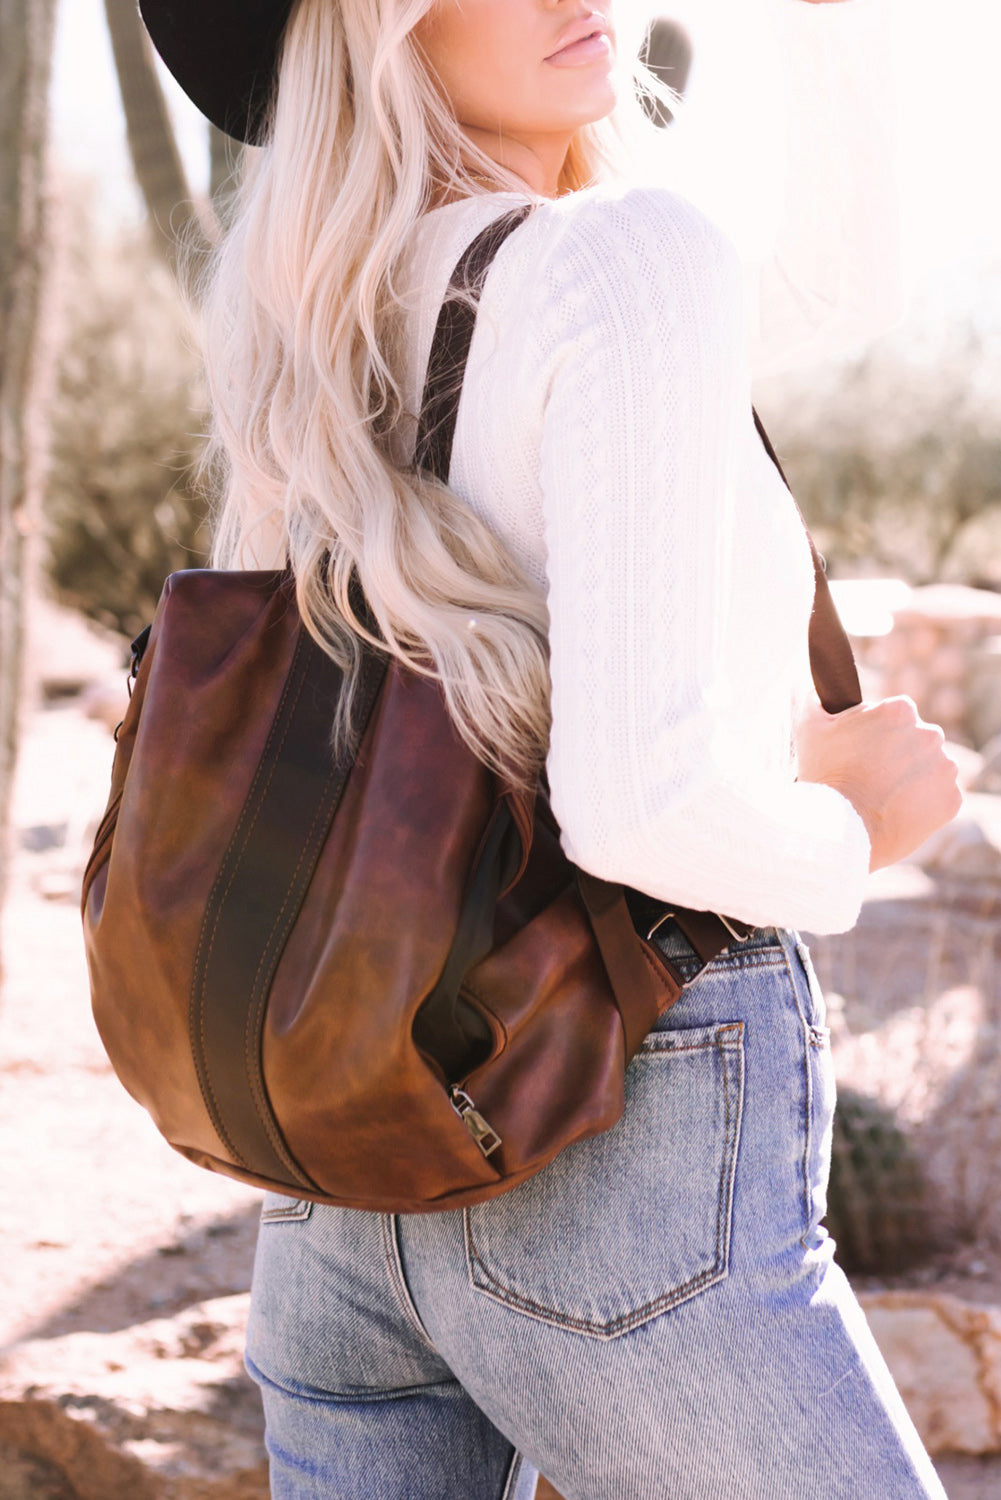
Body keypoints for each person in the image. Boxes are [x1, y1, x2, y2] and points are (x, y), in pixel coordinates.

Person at [138, 1, 962, 1495]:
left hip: (335, 1168)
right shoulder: (615, 266)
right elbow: (642, 808)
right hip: (612, 1144)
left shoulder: (320, 312)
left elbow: (838, 278)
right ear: (378, 28)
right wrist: (851, 827)